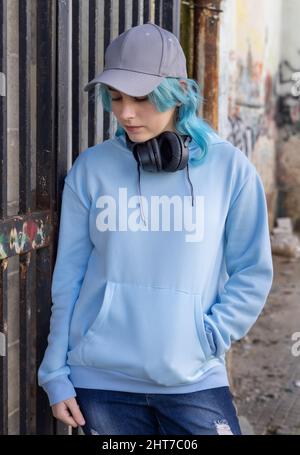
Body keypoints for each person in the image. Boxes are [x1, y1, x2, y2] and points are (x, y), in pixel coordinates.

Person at [38, 22, 273, 435]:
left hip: (193, 380)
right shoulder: (91, 169)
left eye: (142, 98)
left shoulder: (230, 170)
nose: (126, 112)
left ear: (178, 93)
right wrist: (54, 373)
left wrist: (209, 338)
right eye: (116, 98)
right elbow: (68, 279)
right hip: (100, 383)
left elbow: (252, 271)